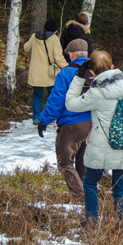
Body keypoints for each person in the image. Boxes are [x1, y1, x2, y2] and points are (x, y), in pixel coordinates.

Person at [65, 50, 123, 227]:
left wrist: (79, 78)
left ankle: (91, 222)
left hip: (99, 148)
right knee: (120, 188)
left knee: (90, 182)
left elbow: (70, 104)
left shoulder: (95, 93)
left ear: (92, 72)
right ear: (112, 67)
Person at [37, 39, 91, 201]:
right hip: (92, 124)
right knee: (83, 161)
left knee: (65, 163)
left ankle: (80, 196)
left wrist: (44, 120)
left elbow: (57, 100)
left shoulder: (66, 73)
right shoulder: (96, 72)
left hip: (70, 125)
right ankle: (88, 194)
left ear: (70, 54)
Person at [24, 19, 68, 125]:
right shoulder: (54, 39)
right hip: (50, 73)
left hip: (36, 72)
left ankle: (36, 118)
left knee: (37, 94)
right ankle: (50, 116)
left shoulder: (35, 36)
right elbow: (58, 57)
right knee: (52, 94)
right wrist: (67, 66)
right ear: (55, 30)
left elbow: (26, 48)